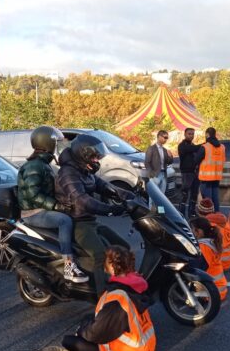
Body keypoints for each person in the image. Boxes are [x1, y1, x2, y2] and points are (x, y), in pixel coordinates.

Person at [45, 245, 156, 351]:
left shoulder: (117, 299)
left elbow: (96, 334)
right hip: (145, 348)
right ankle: (79, 350)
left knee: (69, 341)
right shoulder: (136, 283)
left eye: (106, 264)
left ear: (112, 268)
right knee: (88, 320)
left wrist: (81, 331)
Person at [56, 134, 131, 297]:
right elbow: (82, 201)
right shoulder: (68, 173)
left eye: (98, 156)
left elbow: (104, 186)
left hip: (90, 220)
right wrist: (110, 209)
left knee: (123, 246)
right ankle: (103, 297)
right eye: (95, 157)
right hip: (77, 222)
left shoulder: (85, 171)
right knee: (100, 255)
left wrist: (129, 195)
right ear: (83, 155)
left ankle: (125, 284)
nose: (97, 160)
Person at [17, 126, 87, 283]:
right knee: (64, 220)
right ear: (47, 144)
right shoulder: (33, 166)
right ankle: (69, 266)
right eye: (56, 143)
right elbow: (33, 195)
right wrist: (57, 206)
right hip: (33, 212)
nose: (58, 147)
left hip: (41, 209)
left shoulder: (43, 164)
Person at [190, 217, 228, 301]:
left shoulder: (203, 247)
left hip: (212, 293)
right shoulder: (210, 242)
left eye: (191, 230)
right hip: (219, 289)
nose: (190, 232)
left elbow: (195, 269)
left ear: (198, 232)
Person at [196, 197, 230, 271]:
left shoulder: (207, 226)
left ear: (200, 212)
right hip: (229, 260)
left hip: (219, 263)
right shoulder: (223, 220)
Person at [196, 127, 226, 212]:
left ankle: (209, 216)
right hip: (217, 176)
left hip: (206, 177)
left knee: (207, 199)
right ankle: (216, 214)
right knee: (215, 197)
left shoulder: (205, 147)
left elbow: (196, 159)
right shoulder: (222, 147)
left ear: (207, 135)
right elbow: (223, 160)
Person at [178, 128, 202, 218]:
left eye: (192, 134)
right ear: (185, 134)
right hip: (186, 173)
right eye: (189, 134)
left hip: (195, 173)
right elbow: (191, 149)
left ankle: (191, 212)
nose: (191, 135)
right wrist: (204, 145)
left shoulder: (193, 145)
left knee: (194, 194)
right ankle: (181, 213)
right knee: (184, 194)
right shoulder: (182, 145)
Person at [144, 130, 174, 202]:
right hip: (155, 175)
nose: (166, 139)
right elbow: (147, 163)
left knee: (162, 196)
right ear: (159, 137)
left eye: (167, 138)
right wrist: (151, 174)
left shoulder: (165, 150)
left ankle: (160, 212)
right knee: (153, 195)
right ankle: (152, 211)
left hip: (164, 174)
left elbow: (169, 162)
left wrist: (170, 156)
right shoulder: (151, 148)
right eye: (165, 137)